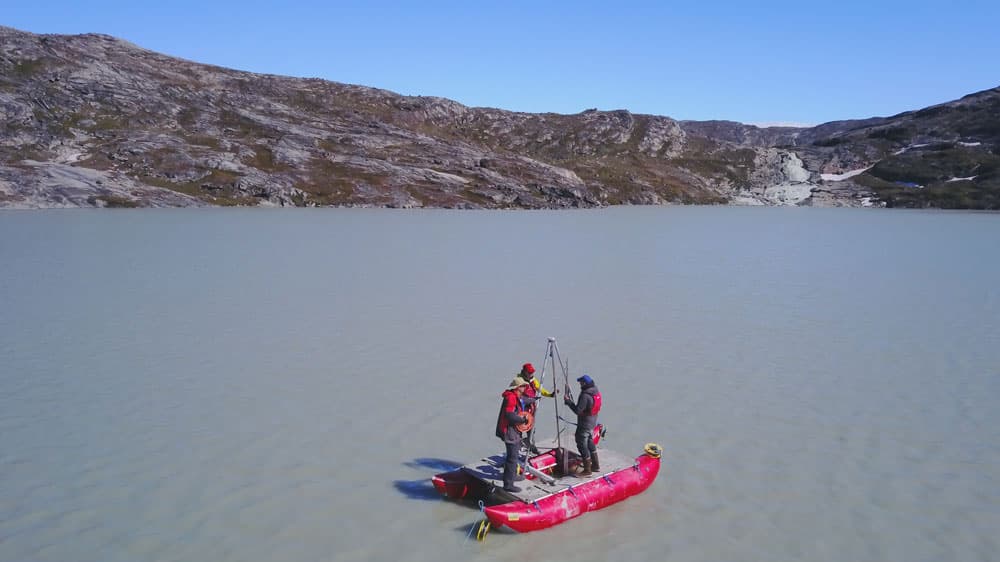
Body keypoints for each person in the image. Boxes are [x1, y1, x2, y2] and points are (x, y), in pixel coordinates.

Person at [495, 376, 536, 492]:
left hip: (514, 431)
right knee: (512, 458)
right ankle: (508, 484)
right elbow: (509, 415)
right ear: (518, 387)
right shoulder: (511, 398)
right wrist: (522, 420)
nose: (525, 387)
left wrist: (534, 399)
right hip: (509, 432)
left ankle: (512, 476)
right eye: (523, 386)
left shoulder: (516, 396)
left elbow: (524, 400)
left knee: (514, 455)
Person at [563, 374, 602, 476]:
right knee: (589, 441)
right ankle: (596, 465)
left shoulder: (585, 396)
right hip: (592, 422)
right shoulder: (595, 390)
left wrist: (568, 402)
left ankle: (587, 470)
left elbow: (578, 410)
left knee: (581, 444)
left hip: (584, 424)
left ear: (584, 383)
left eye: (581, 383)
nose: (580, 385)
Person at [518, 363, 555, 454]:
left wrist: (550, 394)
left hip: (531, 409)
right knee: (519, 429)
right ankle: (518, 447)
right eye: (530, 373)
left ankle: (531, 445)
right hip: (522, 410)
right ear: (525, 372)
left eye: (532, 372)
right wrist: (531, 400)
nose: (532, 374)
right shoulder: (519, 382)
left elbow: (540, 389)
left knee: (531, 428)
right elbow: (519, 398)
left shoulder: (533, 381)